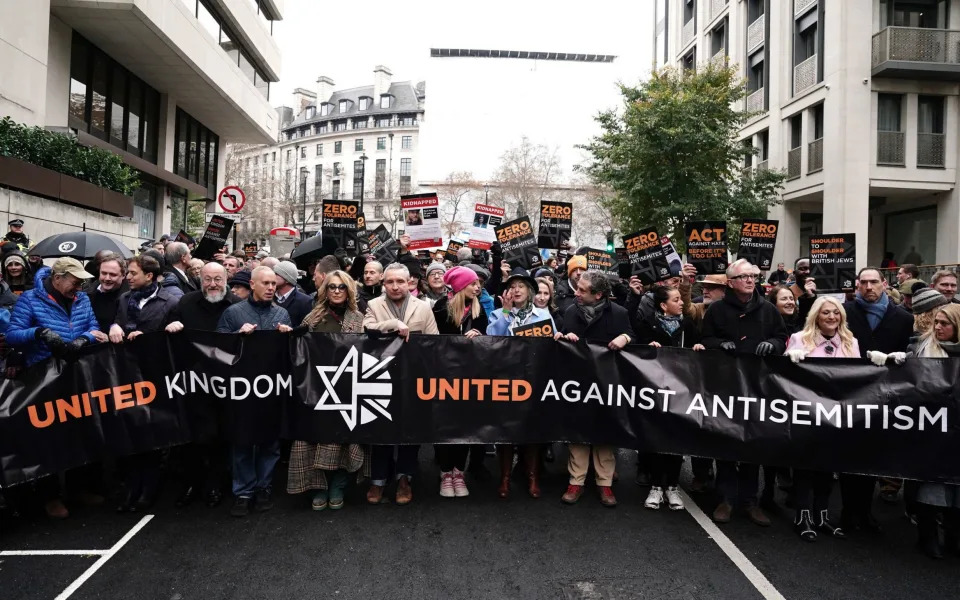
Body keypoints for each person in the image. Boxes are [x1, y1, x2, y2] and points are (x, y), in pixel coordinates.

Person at [5, 257, 102, 518]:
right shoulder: (30, 299)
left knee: (79, 431)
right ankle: (50, 496)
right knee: (48, 436)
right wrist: (39, 333)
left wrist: (85, 338)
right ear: (57, 278)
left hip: (76, 373)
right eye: (74, 281)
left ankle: (77, 488)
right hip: (42, 376)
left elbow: (94, 326)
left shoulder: (82, 298)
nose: (79, 286)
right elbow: (13, 334)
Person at [869, 304, 960, 558]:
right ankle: (927, 537)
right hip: (929, 430)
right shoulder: (920, 348)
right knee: (931, 487)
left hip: (956, 430)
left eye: (945, 323)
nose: (938, 327)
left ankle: (954, 539)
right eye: (937, 322)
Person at [702, 258, 787, 527]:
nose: (750, 280)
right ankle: (725, 499)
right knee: (726, 443)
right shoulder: (716, 310)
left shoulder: (769, 310)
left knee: (753, 445)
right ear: (730, 283)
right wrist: (720, 344)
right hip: (726, 387)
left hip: (758, 387)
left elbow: (782, 338)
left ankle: (750, 502)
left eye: (752, 276)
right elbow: (704, 339)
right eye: (744, 277)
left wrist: (772, 345)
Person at [287, 270, 369, 511]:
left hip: (348, 387)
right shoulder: (313, 317)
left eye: (341, 287)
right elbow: (298, 348)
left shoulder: (358, 317)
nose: (336, 291)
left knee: (344, 439)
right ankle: (318, 487)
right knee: (314, 439)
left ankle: (338, 486)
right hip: (317, 388)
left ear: (349, 290)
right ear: (325, 290)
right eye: (331, 287)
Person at [842, 267, 914, 534]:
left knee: (874, 457)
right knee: (850, 457)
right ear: (857, 285)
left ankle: (865, 512)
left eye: (874, 282)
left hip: (886, 396)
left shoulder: (904, 318)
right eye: (864, 282)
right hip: (851, 393)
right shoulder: (845, 313)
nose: (869, 287)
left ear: (885, 284)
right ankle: (849, 512)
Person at [556, 270, 635, 507]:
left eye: (582, 290)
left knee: (604, 433)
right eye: (577, 288)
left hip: (607, 383)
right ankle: (576, 481)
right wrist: (562, 337)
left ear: (598, 294)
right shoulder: (570, 311)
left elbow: (632, 334)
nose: (576, 292)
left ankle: (605, 484)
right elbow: (564, 339)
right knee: (578, 434)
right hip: (578, 383)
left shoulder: (619, 313)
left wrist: (625, 338)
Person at [217, 267, 293, 517]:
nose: (271, 287)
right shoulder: (233, 313)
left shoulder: (282, 313)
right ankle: (243, 493)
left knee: (270, 443)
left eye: (274, 283)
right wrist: (237, 338)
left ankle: (264, 488)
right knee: (242, 443)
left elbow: (291, 355)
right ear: (252, 284)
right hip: (242, 391)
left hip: (271, 390)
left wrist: (287, 337)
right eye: (266, 283)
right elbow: (218, 350)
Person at [164, 262, 239, 507]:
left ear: (226, 279)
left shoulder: (237, 307)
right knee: (193, 438)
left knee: (221, 436)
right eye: (208, 279)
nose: (213, 284)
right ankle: (191, 483)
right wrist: (172, 326)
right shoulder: (185, 304)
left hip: (226, 384)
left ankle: (215, 484)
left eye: (218, 279)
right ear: (200, 279)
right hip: (193, 383)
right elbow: (166, 335)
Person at [363, 263, 439, 505]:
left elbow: (433, 342)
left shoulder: (424, 307)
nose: (395, 286)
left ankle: (404, 477)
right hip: (380, 379)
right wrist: (393, 325)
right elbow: (367, 329)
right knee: (380, 429)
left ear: (410, 283)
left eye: (400, 281)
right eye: (390, 282)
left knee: (410, 430)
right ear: (383, 283)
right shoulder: (374, 305)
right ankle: (378, 480)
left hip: (413, 380)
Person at [109, 254, 180, 512]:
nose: (128, 277)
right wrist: (115, 327)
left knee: (151, 434)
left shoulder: (170, 302)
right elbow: (117, 324)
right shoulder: (124, 300)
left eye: (132, 273)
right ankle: (131, 486)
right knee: (129, 432)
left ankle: (148, 489)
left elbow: (174, 340)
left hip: (154, 376)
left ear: (149, 276)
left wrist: (156, 334)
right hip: (126, 376)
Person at [785, 296, 858, 541]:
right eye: (826, 313)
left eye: (836, 313)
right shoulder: (799, 339)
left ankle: (822, 516)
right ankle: (802, 516)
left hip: (836, 415)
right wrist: (791, 359)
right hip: (807, 414)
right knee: (805, 467)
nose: (831, 317)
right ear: (816, 315)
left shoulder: (850, 342)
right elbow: (784, 379)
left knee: (827, 469)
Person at [634, 285, 704, 512]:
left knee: (676, 439)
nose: (682, 303)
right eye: (676, 299)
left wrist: (698, 347)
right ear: (663, 305)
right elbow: (636, 351)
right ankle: (656, 486)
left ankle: (672, 487)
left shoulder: (687, 326)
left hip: (681, 391)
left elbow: (700, 344)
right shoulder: (648, 326)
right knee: (656, 438)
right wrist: (647, 348)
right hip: (654, 391)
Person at [431, 266, 488, 499]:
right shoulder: (440, 309)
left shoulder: (479, 309)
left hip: (470, 377)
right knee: (446, 425)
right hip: (444, 376)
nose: (478, 287)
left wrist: (480, 335)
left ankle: (458, 472)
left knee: (465, 425)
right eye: (473, 283)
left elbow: (487, 339)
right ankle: (445, 473)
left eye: (478, 284)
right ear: (460, 286)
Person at [487, 267, 556, 335]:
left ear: (529, 290)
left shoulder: (544, 316)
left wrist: (559, 336)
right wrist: (505, 311)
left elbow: (553, 341)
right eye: (513, 287)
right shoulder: (496, 315)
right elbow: (492, 339)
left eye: (521, 286)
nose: (516, 290)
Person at [87, 253, 128, 332]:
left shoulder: (130, 298)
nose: (107, 278)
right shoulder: (88, 293)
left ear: (123, 275)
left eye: (113, 275)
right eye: (104, 273)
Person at [273, 261, 312, 328]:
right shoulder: (269, 297)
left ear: (287, 279)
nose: (273, 276)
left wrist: (291, 330)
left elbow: (306, 328)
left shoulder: (305, 301)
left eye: (276, 273)